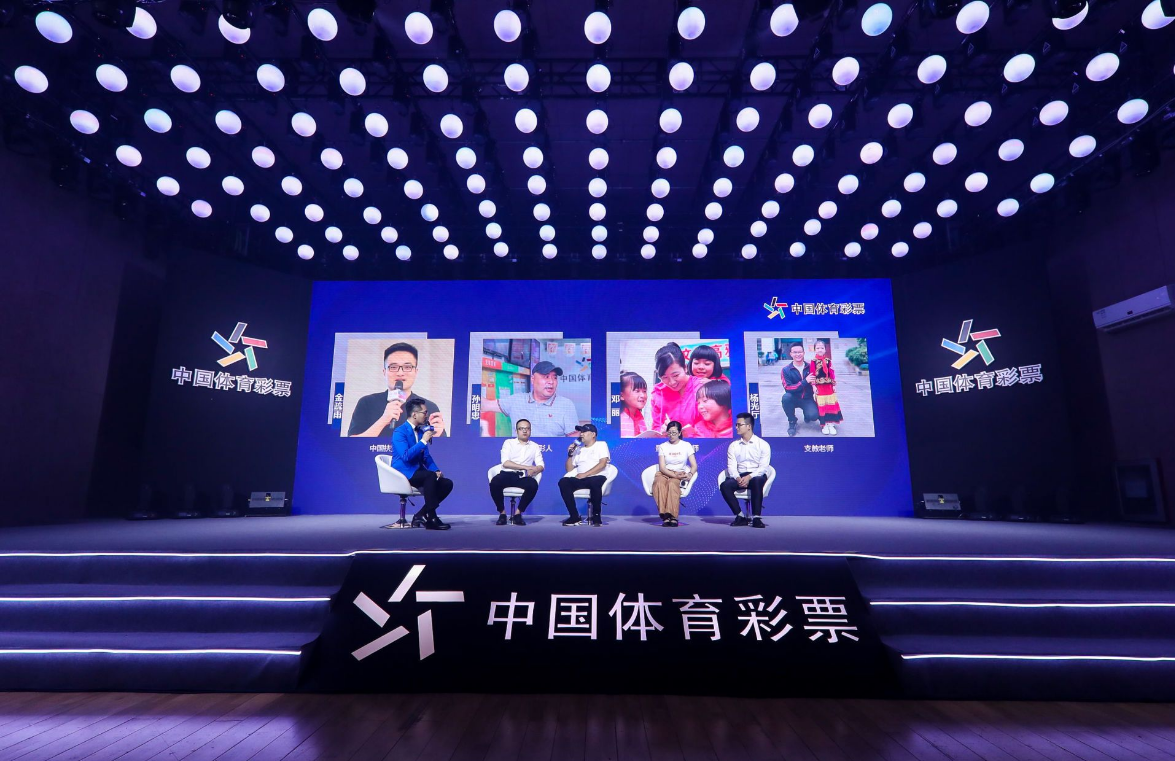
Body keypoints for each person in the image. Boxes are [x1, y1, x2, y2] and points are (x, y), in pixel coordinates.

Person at [349, 342, 446, 438]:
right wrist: (384, 419)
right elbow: (351, 443)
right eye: (393, 367)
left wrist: (437, 436)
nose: (400, 373)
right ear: (384, 372)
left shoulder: (429, 407)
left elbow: (442, 446)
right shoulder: (367, 403)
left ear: (416, 372)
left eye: (407, 367)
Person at [391, 398, 452, 530]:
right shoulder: (399, 432)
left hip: (418, 472)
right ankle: (432, 517)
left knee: (446, 483)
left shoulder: (420, 432)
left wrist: (436, 470)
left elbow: (426, 457)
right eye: (424, 412)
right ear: (414, 414)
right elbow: (406, 456)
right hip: (403, 472)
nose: (427, 415)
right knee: (429, 476)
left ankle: (421, 514)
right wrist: (423, 441)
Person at [496, 360, 580, 437]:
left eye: (554, 378)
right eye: (546, 377)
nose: (551, 382)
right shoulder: (517, 401)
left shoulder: (566, 405)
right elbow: (488, 405)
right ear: (533, 379)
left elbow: (574, 439)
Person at [720, 412, 771, 528]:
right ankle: (740, 516)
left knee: (757, 481)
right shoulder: (734, 446)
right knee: (725, 485)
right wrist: (738, 478)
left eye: (739, 425)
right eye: (736, 425)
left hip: (756, 475)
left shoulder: (763, 444)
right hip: (740, 476)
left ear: (749, 426)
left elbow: (763, 467)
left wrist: (749, 477)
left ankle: (756, 518)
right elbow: (731, 466)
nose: (736, 427)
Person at [490, 418, 544, 526]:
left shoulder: (534, 446)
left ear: (530, 431)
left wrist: (535, 469)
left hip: (522, 477)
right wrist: (526, 467)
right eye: (521, 429)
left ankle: (518, 514)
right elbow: (505, 462)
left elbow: (541, 465)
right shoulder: (509, 443)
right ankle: (502, 514)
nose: (524, 431)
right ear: (516, 431)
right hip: (507, 474)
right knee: (495, 482)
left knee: (533, 484)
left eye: (527, 429)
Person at [559, 424, 610, 527]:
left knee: (595, 482)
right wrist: (570, 455)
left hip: (597, 476)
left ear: (593, 434)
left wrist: (585, 474)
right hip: (581, 478)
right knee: (563, 482)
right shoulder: (579, 449)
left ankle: (596, 516)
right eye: (580, 432)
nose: (581, 434)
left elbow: (602, 463)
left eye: (584, 432)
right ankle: (574, 516)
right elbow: (569, 469)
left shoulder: (601, 445)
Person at [649, 342, 705, 435]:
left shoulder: (702, 387)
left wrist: (693, 433)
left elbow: (714, 424)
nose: (672, 382)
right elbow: (656, 426)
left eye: (675, 375)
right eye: (664, 377)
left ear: (685, 368)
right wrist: (661, 431)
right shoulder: (658, 392)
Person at [652, 421, 697, 527]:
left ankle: (673, 516)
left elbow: (694, 465)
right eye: (669, 432)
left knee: (672, 485)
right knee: (659, 483)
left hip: (679, 473)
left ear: (679, 433)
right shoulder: (663, 446)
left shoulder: (686, 445)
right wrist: (673, 475)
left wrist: (690, 474)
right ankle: (665, 516)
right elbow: (662, 467)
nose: (671, 435)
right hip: (664, 473)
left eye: (674, 433)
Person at [780, 342, 819, 437]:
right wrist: (805, 381)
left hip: (807, 398)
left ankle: (807, 413)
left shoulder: (811, 367)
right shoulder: (786, 370)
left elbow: (818, 381)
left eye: (800, 352)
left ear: (804, 353)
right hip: (793, 398)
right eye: (795, 352)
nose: (798, 354)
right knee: (786, 397)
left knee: (814, 416)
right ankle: (792, 421)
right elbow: (788, 387)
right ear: (791, 354)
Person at [810, 339, 844, 435]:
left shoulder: (828, 361)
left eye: (822, 348)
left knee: (830, 405)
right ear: (815, 350)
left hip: (829, 387)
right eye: (818, 348)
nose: (820, 350)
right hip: (819, 388)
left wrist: (834, 385)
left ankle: (831, 424)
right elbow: (812, 374)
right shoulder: (813, 361)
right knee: (822, 406)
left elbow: (832, 374)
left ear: (825, 349)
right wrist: (813, 386)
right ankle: (824, 424)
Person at [618, 371, 649, 437]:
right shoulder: (618, 420)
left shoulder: (640, 418)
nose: (643, 395)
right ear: (621, 396)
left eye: (644, 391)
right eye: (637, 391)